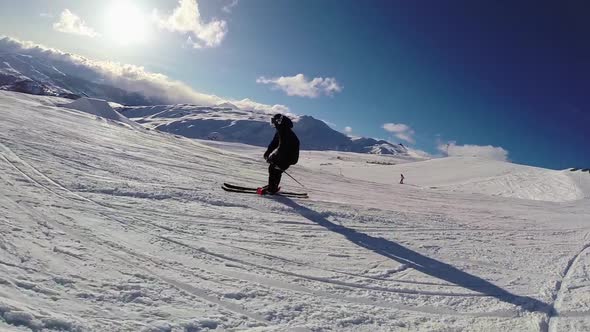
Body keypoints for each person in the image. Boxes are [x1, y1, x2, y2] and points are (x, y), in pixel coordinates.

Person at [259, 114, 300, 194]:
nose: (273, 123)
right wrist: (267, 153)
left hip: (289, 157)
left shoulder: (286, 133)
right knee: (274, 169)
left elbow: (284, 148)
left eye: (274, 121)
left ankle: (272, 188)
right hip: (284, 156)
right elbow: (274, 143)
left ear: (279, 122)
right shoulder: (281, 131)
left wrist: (273, 157)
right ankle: (273, 186)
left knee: (274, 169)